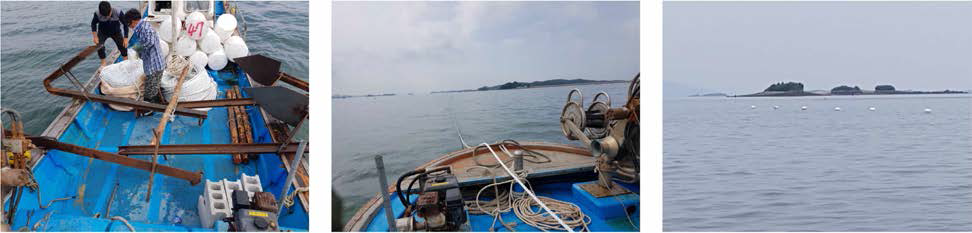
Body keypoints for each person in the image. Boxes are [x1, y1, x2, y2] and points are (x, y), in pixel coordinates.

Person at [125, 8, 166, 106]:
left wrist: (136, 48)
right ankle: (155, 100)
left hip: (154, 66)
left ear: (134, 21)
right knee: (153, 86)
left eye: (129, 24)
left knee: (149, 91)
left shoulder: (145, 28)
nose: (129, 26)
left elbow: (150, 42)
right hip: (150, 64)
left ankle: (149, 108)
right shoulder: (141, 28)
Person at [91, 1, 129, 67]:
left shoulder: (118, 12)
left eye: (108, 14)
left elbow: (125, 25)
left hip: (116, 32)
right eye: (104, 16)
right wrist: (95, 37)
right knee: (99, 46)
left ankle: (125, 60)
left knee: (122, 45)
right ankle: (103, 63)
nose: (107, 17)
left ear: (111, 9)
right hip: (103, 32)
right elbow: (93, 24)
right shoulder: (97, 14)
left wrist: (126, 38)